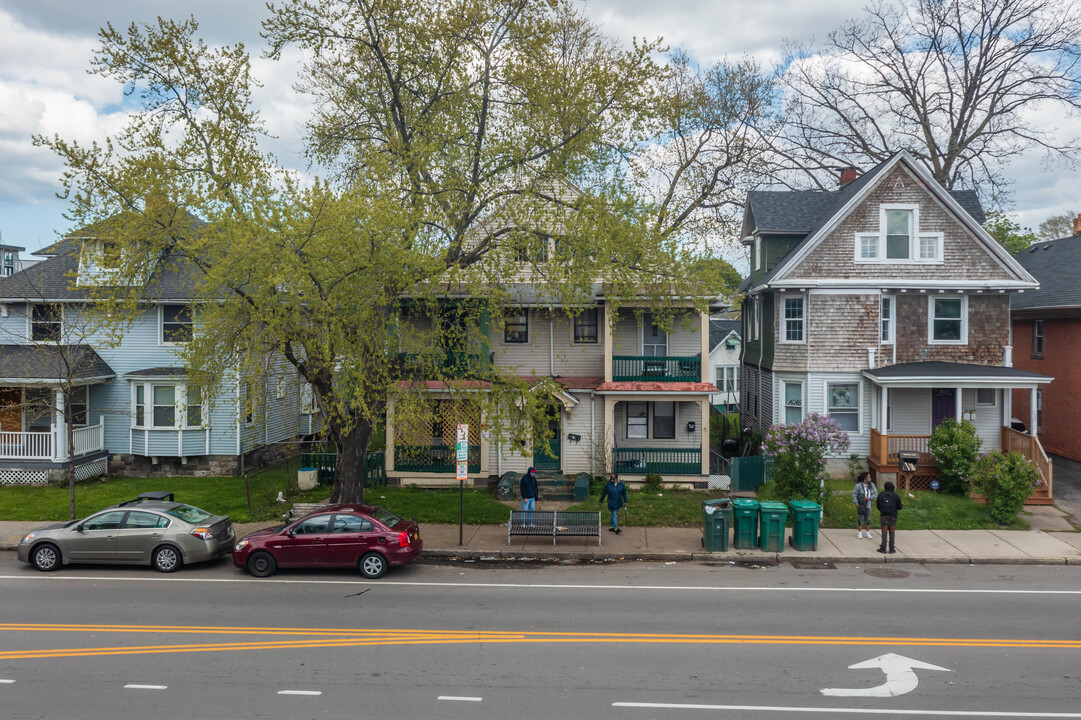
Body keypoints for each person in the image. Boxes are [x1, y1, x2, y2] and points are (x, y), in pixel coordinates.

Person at [876, 480, 903, 554]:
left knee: (884, 532)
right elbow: (900, 507)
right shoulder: (896, 496)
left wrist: (882, 510)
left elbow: (878, 506)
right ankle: (891, 549)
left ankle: (883, 548)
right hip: (893, 516)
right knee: (892, 531)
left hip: (884, 516)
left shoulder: (881, 495)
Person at [851, 471, 878, 539]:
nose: (870, 479)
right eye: (868, 477)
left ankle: (867, 532)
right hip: (861, 504)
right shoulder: (858, 485)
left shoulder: (872, 485)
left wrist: (869, 498)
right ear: (864, 478)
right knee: (860, 517)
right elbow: (854, 494)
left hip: (868, 504)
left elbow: (875, 494)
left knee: (868, 518)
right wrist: (856, 503)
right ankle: (859, 532)